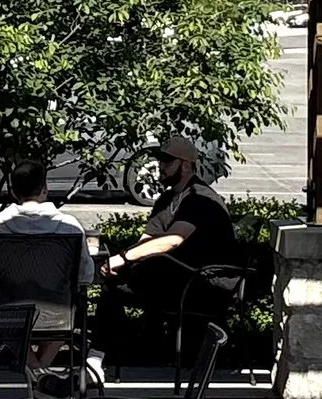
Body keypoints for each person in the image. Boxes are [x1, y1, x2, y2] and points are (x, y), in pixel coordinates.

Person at [101, 133, 239, 319]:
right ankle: (116, 344)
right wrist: (120, 262)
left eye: (167, 161)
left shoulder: (201, 198)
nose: (161, 167)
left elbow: (172, 240)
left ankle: (124, 343)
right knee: (114, 281)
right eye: (160, 160)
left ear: (186, 166)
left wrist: (124, 258)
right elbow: (148, 238)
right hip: (178, 277)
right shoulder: (167, 199)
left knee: (134, 284)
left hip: (207, 282)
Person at [0, 156, 96, 337]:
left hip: (5, 314)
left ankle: (30, 365)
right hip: (59, 315)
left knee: (12, 327)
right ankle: (37, 365)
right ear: (44, 189)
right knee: (68, 306)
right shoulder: (70, 226)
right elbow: (85, 276)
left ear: (13, 191)